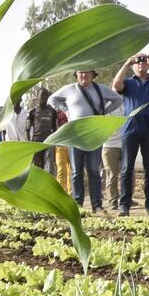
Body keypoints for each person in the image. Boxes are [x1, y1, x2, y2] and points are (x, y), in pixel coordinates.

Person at [49, 70, 123, 212]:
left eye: (87, 73)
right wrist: (66, 110)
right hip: (76, 135)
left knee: (94, 170)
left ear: (93, 75)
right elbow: (52, 99)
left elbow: (118, 100)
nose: (84, 76)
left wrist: (104, 112)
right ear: (76, 75)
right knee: (76, 171)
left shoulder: (101, 89)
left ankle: (97, 204)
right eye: (81, 73)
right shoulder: (69, 89)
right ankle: (78, 203)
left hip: (94, 135)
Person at [112, 53, 149, 216]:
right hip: (130, 130)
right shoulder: (129, 83)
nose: (141, 65)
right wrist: (125, 64)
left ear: (148, 65)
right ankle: (124, 205)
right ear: (133, 66)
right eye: (137, 63)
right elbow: (116, 86)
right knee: (126, 169)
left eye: (144, 63)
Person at [25, 88, 60, 172]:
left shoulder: (52, 111)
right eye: (42, 95)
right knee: (37, 168)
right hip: (36, 143)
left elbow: (55, 128)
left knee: (49, 168)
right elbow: (27, 129)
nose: (44, 97)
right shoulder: (32, 112)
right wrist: (29, 143)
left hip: (48, 142)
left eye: (46, 95)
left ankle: (47, 184)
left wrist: (54, 143)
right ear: (37, 97)